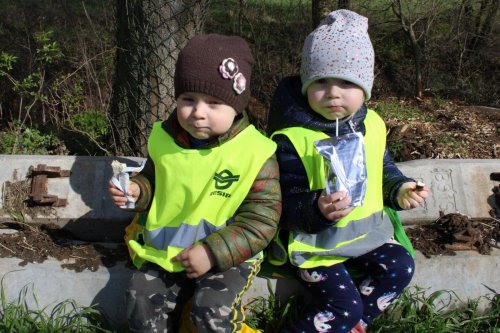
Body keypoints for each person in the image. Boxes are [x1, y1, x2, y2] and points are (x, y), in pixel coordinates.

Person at [266, 9, 430, 333]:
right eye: (321, 82)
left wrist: (400, 189)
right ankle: (346, 317)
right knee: (344, 306)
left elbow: (383, 170)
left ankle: (356, 324)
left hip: (365, 236)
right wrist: (316, 209)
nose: (333, 93)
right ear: (305, 85)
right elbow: (285, 203)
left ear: (365, 85)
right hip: (316, 244)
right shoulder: (292, 138)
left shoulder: (373, 125)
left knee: (400, 266)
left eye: (346, 82)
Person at [109, 33, 281, 333]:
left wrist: (213, 252)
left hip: (229, 256)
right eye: (188, 100)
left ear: (237, 105)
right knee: (140, 300)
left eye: (214, 103)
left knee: (211, 312)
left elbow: (261, 220)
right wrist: (137, 191)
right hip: (167, 253)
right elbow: (154, 180)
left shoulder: (255, 153)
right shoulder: (166, 139)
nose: (199, 113)